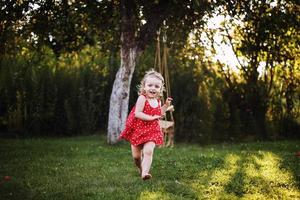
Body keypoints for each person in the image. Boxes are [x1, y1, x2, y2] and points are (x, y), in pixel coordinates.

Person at [119, 69, 173, 180]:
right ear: (144, 87)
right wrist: (152, 117)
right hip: (138, 129)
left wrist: (166, 106)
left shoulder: (157, 101)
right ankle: (140, 168)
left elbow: (160, 113)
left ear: (160, 89)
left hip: (152, 130)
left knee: (148, 151)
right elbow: (138, 113)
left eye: (157, 86)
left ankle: (145, 173)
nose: (153, 88)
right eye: (150, 85)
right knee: (137, 157)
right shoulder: (142, 98)